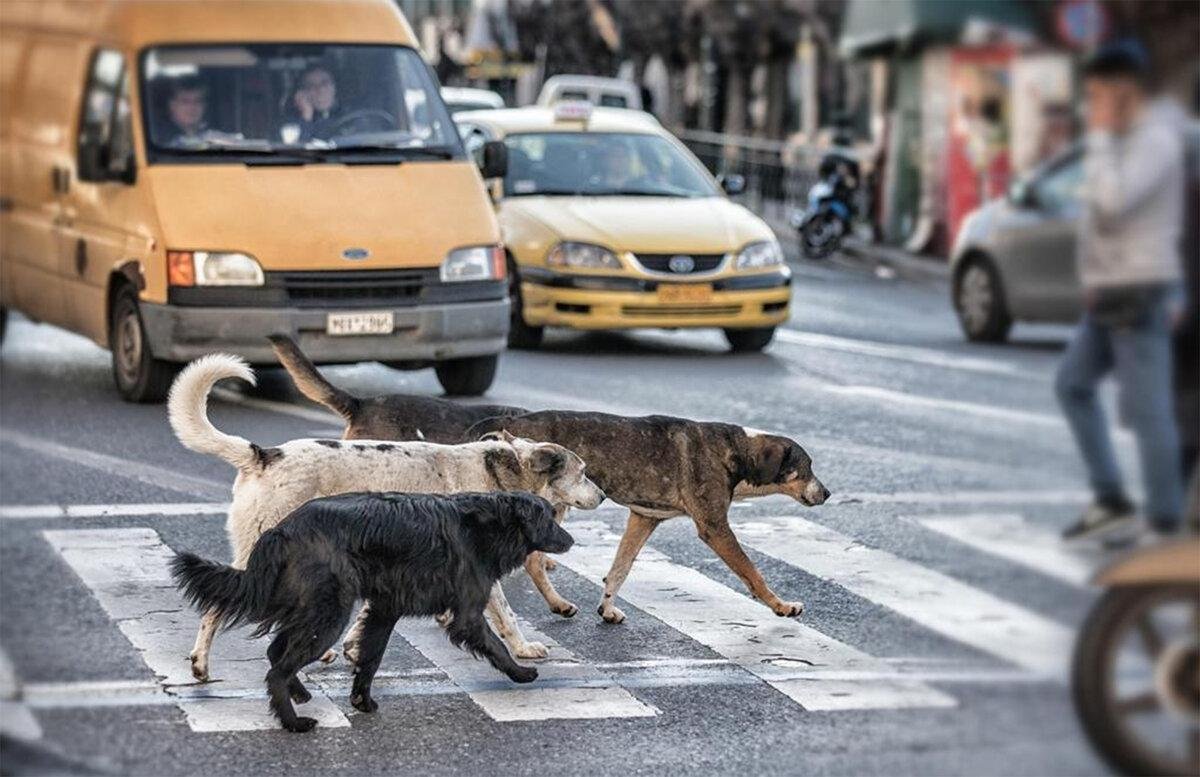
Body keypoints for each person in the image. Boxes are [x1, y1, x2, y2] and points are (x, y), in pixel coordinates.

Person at [1057, 40, 1188, 542]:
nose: (1093, 103)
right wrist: (1091, 279)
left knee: (1149, 408)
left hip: (1142, 290)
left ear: (1123, 88)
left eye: (1098, 93)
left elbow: (1113, 202)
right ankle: (1112, 498)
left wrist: (1101, 139)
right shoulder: (1123, 136)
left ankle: (1166, 521)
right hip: (1110, 291)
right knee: (1072, 384)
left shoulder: (1155, 138)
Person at [290, 64, 342, 141]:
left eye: (325, 83)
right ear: (303, 92)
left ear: (334, 87)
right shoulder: (293, 125)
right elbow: (298, 148)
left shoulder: (356, 114)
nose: (320, 90)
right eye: (311, 85)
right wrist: (307, 116)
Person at [160, 77, 209, 147]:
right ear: (172, 105)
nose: (192, 107)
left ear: (204, 105)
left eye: (198, 101)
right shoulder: (160, 139)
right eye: (185, 101)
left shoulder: (219, 138)